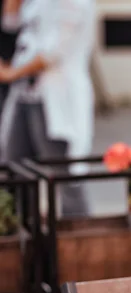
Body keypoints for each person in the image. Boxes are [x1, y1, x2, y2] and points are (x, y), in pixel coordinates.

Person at [0, 0, 95, 216]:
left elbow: (55, 51)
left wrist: (11, 74)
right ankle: (27, 236)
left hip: (56, 98)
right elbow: (11, 23)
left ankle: (78, 239)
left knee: (64, 173)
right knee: (16, 168)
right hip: (24, 95)